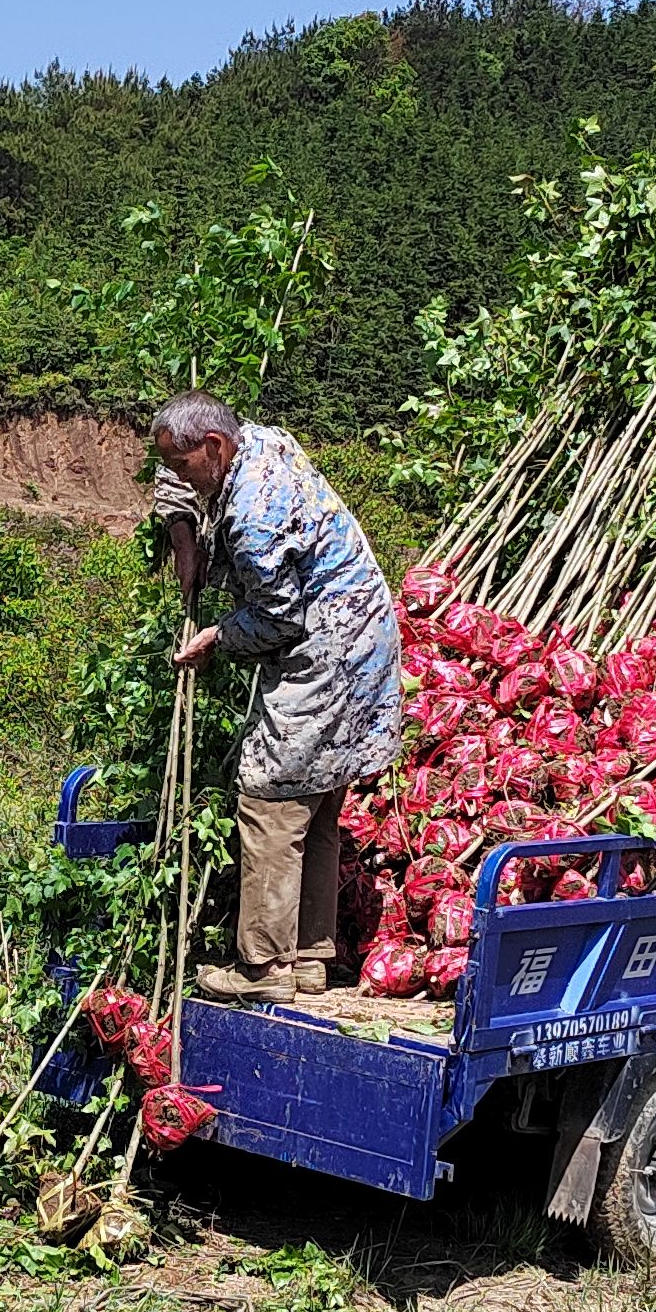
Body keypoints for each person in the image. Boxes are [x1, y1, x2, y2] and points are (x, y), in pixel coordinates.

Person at [151, 391, 401, 999]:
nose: (178, 475)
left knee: (268, 795)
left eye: (184, 467)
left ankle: (262, 967)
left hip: (327, 648)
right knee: (316, 796)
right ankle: (311, 956)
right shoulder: (254, 441)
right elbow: (179, 481)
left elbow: (277, 618)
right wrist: (185, 532)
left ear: (214, 447)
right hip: (363, 637)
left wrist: (217, 637)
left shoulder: (256, 512)